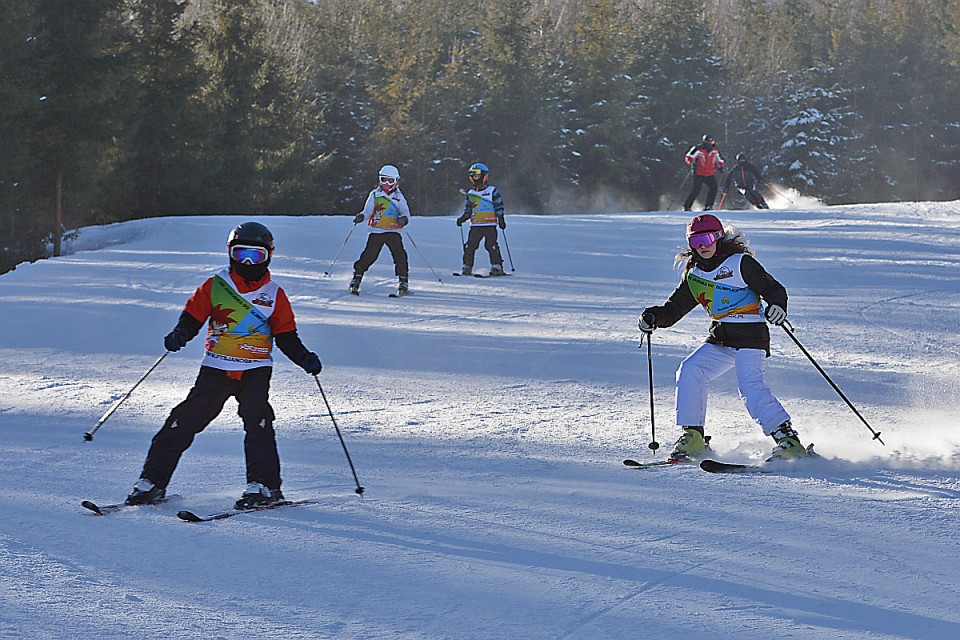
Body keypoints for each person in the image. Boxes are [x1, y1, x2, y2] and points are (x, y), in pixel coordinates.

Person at [125, 221, 323, 509]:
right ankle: (152, 482)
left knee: (259, 423)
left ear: (269, 255)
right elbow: (193, 316)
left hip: (255, 370)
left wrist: (304, 357)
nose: (246, 262)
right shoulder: (216, 285)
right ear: (229, 252)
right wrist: (180, 334)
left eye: (255, 256)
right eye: (241, 254)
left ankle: (264, 486)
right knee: (182, 420)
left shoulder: (274, 294)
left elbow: (286, 335)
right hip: (216, 368)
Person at [637, 214, 810, 463]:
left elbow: (773, 289)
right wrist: (653, 316)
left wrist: (777, 306)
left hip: (751, 337)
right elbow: (674, 310)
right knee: (691, 369)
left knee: (750, 387)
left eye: (706, 239)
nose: (702, 246)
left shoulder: (740, 263)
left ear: (718, 237)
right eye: (695, 241)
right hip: (721, 339)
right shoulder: (695, 275)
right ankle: (693, 436)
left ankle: (788, 440)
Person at [349, 165, 411, 296]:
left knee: (399, 255)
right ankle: (357, 277)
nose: (387, 184)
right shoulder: (375, 195)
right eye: (384, 180)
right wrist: (361, 217)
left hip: (393, 231)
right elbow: (368, 211)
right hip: (377, 230)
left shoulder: (399, 197)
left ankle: (403, 281)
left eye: (390, 181)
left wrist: (403, 219)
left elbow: (405, 212)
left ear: (396, 181)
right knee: (369, 255)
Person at [456, 163, 507, 276]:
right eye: (473, 175)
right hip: (476, 225)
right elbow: (468, 209)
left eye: (477, 175)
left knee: (490, 245)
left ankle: (497, 266)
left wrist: (501, 218)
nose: (475, 177)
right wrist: (463, 218)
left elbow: (499, 205)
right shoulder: (471, 193)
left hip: (489, 224)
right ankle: (467, 266)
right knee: (470, 246)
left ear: (484, 176)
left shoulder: (492, 190)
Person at [683, 134, 725, 212]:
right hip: (699, 173)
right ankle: (687, 206)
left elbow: (719, 160)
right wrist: (691, 161)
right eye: (708, 141)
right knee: (696, 190)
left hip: (709, 173)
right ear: (705, 142)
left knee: (714, 187)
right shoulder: (698, 149)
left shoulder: (715, 150)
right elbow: (689, 156)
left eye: (712, 141)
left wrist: (720, 167)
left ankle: (709, 206)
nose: (710, 143)